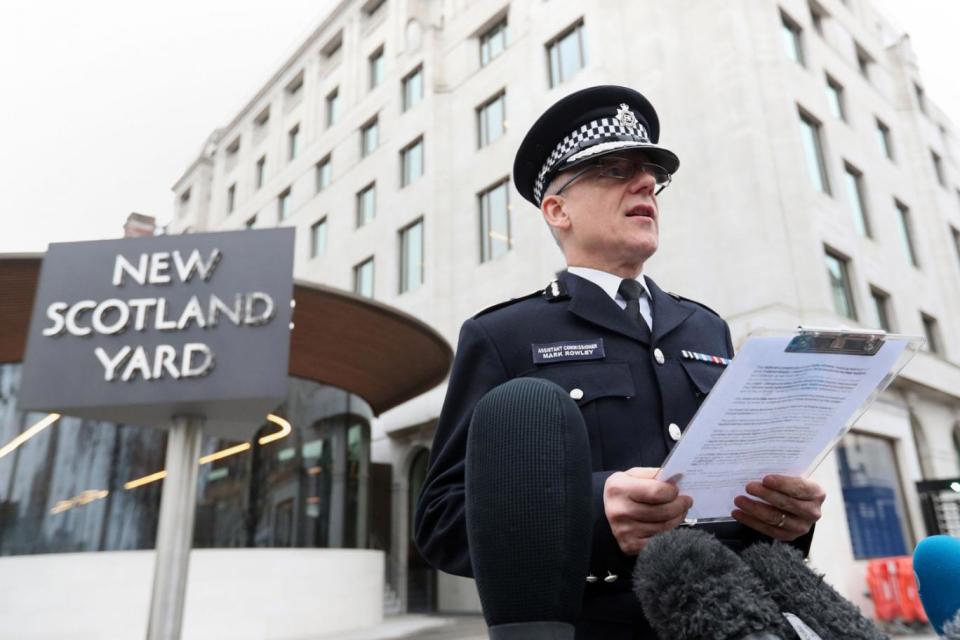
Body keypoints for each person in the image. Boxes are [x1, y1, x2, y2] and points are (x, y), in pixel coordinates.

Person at [414, 85, 826, 638]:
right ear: (556, 209)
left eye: (652, 173)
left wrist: (786, 519)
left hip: (740, 619)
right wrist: (591, 517)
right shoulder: (503, 336)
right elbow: (443, 519)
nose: (645, 184)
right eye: (612, 169)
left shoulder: (705, 326)